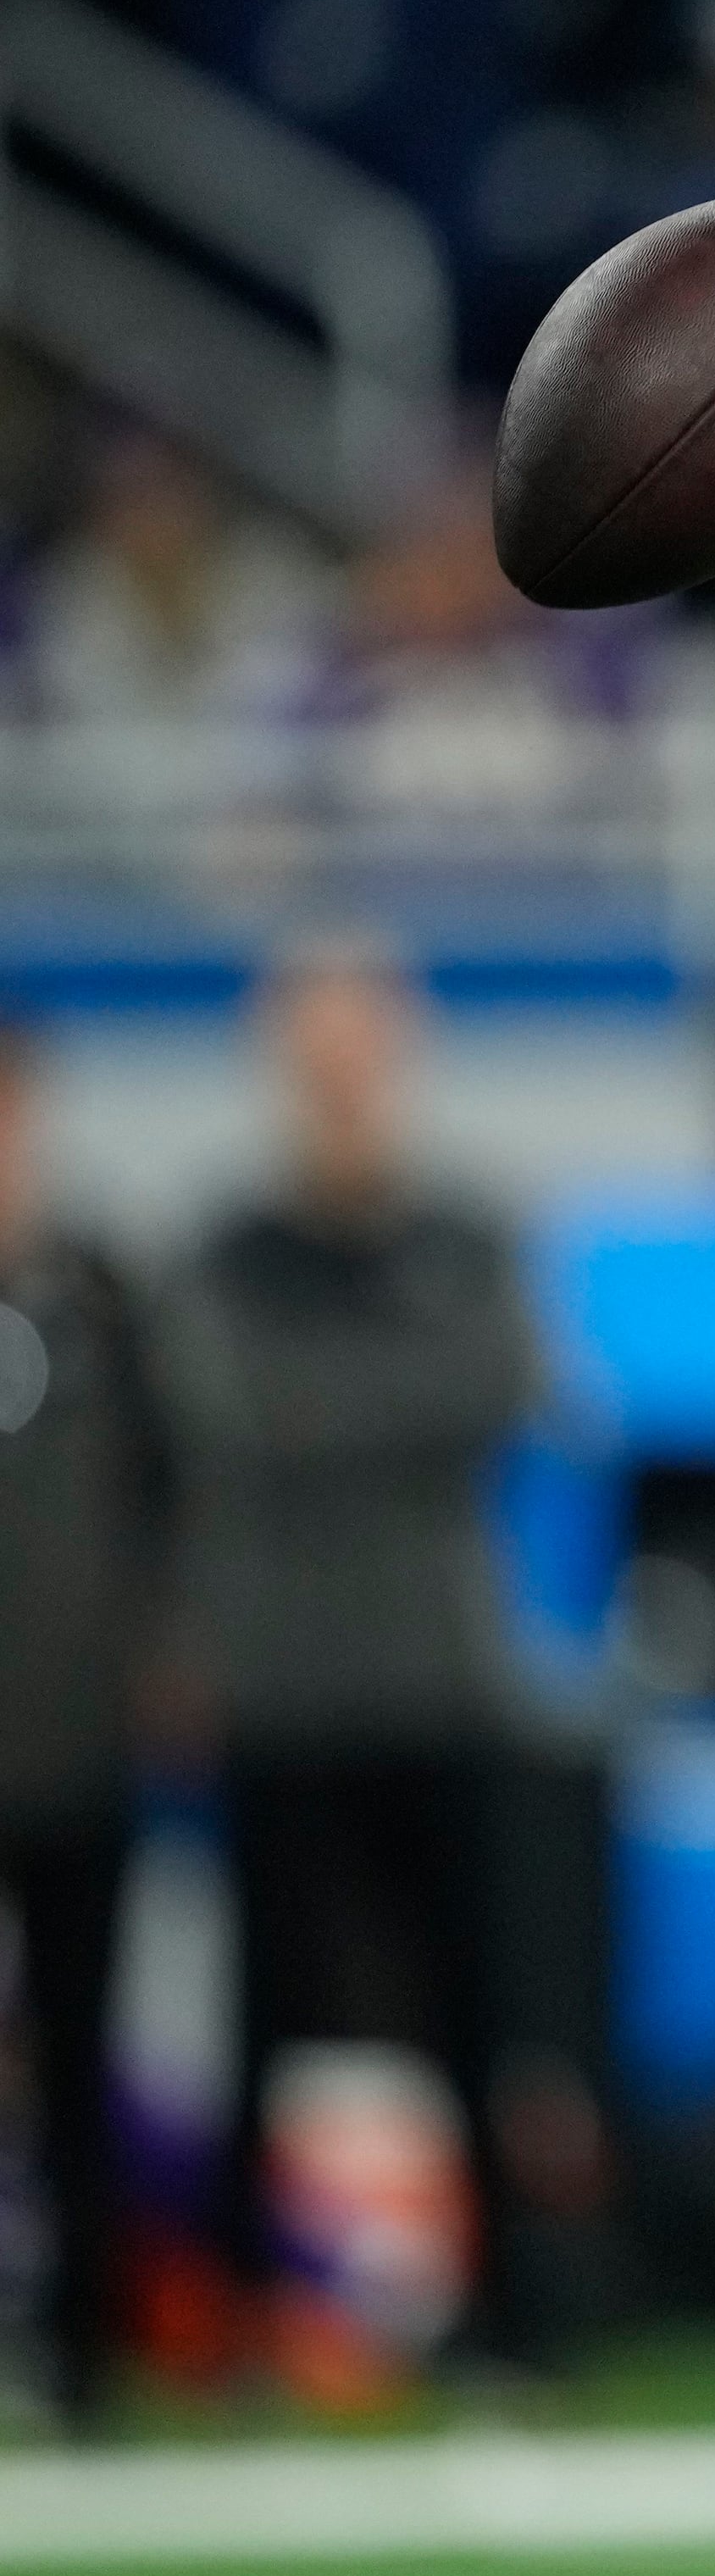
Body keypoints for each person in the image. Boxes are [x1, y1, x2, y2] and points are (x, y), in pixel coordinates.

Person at [148, 934, 549, 2378]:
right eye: (315, 1040)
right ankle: (249, 2313)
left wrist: (332, 1407)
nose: (339, 1069)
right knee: (264, 2007)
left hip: (436, 1677)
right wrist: (385, 1395)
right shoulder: (225, 1248)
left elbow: (500, 1386)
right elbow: (228, 1411)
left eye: (358, 1037)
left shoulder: (466, 1229)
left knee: (477, 2009)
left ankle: (511, 2317)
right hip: (282, 1684)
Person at [0, 1015, 175, 2427]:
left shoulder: (106, 1297)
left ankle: (87, 2359)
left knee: (78, 2051)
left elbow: (176, 1502)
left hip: (72, 1747)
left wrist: (165, 1668)